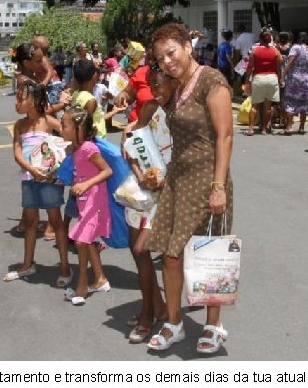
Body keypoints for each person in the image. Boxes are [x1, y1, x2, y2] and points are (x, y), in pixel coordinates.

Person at [145, 22, 234, 354]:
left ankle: (212, 326)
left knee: (209, 253)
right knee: (170, 256)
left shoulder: (212, 81)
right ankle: (175, 324)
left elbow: (224, 136)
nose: (167, 62)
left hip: (207, 179)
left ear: (187, 46)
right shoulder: (177, 87)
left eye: (171, 53)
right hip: (178, 179)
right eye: (161, 58)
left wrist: (219, 186)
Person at [121, 68, 176, 343]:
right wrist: (143, 176)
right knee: (137, 253)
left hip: (167, 195)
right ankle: (158, 308)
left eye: (161, 84)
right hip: (140, 191)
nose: (156, 89)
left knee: (143, 248)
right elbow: (130, 146)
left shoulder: (183, 114)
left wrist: (164, 182)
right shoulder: (150, 109)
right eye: (151, 84)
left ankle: (147, 314)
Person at [3, 82, 70, 284]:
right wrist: (31, 168)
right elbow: (16, 152)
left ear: (34, 101)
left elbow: (68, 136)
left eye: (21, 99)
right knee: (31, 222)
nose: (17, 103)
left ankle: (65, 266)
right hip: (28, 179)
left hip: (49, 180)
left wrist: (60, 161)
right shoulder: (19, 125)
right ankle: (27, 263)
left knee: (55, 220)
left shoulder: (48, 122)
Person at [61, 107, 112, 306]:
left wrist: (85, 184)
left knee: (82, 242)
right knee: (87, 241)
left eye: (65, 125)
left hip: (94, 202)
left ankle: (81, 286)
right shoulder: (77, 148)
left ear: (79, 129)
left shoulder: (89, 148)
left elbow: (107, 171)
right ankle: (100, 280)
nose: (61, 128)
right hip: (85, 202)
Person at [244, 29, 283, 136]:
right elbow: (279, 64)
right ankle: (264, 129)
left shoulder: (255, 51)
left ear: (260, 39)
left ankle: (251, 128)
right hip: (272, 78)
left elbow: (249, 68)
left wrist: (247, 81)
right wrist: (280, 79)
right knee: (268, 105)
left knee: (255, 105)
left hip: (258, 78)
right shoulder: (274, 50)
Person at [282, 32, 308, 135]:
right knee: (304, 103)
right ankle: (301, 127)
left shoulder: (296, 48)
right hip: (307, 80)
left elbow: (290, 62)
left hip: (294, 78)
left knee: (290, 101)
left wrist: (283, 76)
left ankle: (289, 126)